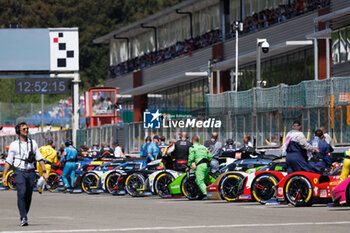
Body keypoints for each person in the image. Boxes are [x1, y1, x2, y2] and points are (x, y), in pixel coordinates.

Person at [1, 122, 48, 226]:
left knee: (28, 195)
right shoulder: (13, 145)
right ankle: (23, 217)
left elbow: (39, 158)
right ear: (18, 131)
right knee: (21, 193)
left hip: (30, 172)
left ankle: (24, 213)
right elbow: (8, 161)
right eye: (24, 129)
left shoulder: (33, 143)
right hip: (19, 172)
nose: (26, 130)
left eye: (27, 129)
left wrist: (44, 171)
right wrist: (4, 176)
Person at [186, 135, 213, 200]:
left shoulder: (192, 147)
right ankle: (212, 191)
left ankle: (207, 195)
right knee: (204, 179)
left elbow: (191, 158)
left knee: (199, 181)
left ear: (192, 141)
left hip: (200, 165)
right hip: (207, 165)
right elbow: (210, 156)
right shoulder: (204, 147)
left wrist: (188, 165)